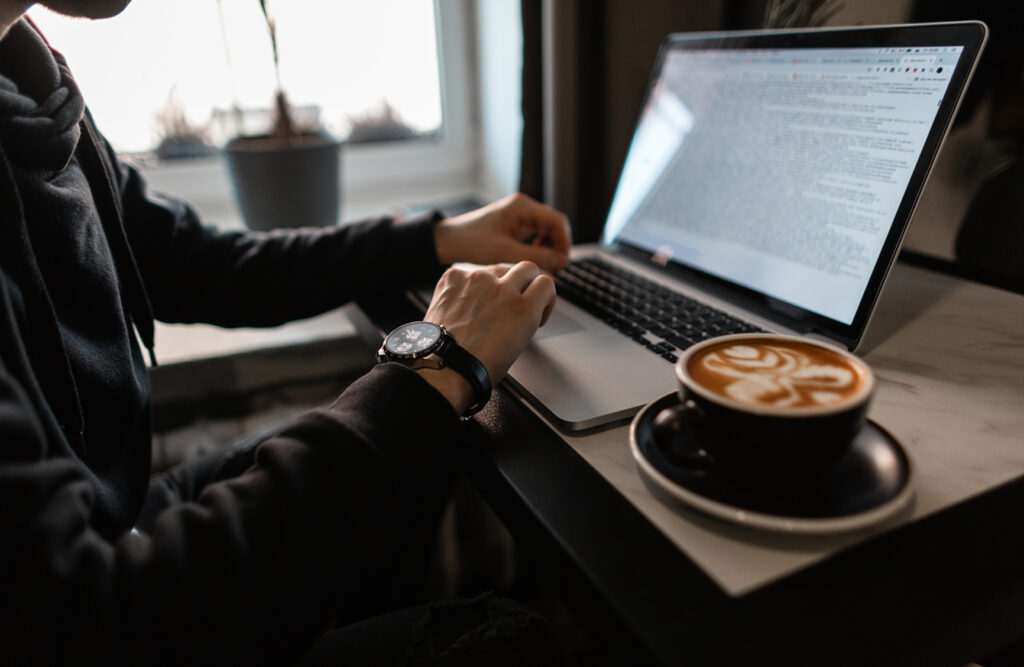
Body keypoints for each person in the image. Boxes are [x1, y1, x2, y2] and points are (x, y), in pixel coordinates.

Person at [0, 1, 574, 663]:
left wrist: (432, 236)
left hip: (126, 520)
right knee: (513, 643)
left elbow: (198, 261)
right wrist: (437, 362)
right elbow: (88, 616)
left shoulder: (31, 79)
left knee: (405, 455)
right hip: (105, 597)